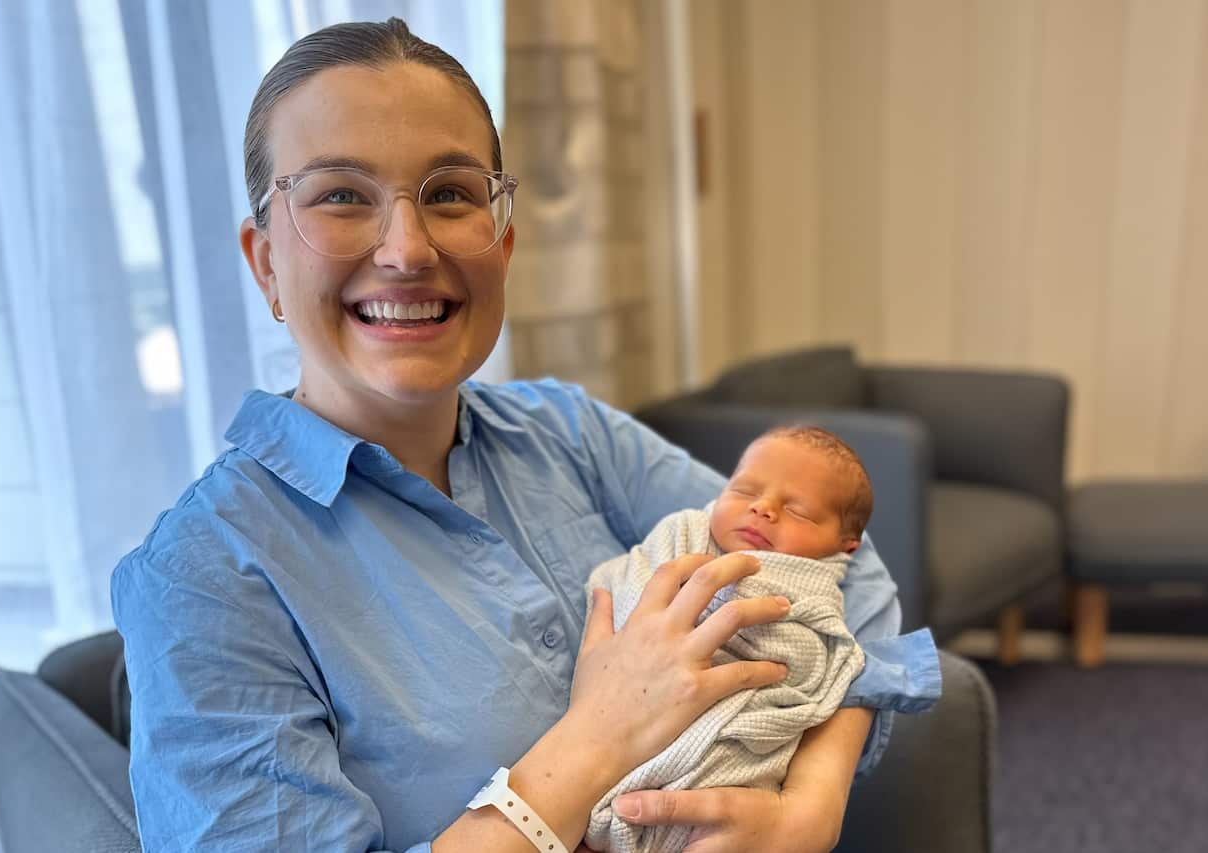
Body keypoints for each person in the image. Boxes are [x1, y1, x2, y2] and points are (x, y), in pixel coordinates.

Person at [110, 17, 941, 853]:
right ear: (264, 264)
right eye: (341, 196)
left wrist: (811, 803)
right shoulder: (205, 575)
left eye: (448, 194)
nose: (406, 249)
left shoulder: (571, 434)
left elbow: (846, 571)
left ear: (502, 240)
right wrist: (598, 734)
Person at [585, 427, 936, 853]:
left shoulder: (818, 592)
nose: (762, 508)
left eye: (800, 512)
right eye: (744, 489)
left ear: (846, 547)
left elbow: (813, 663)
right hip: (620, 721)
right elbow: (627, 589)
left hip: (734, 751)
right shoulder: (685, 533)